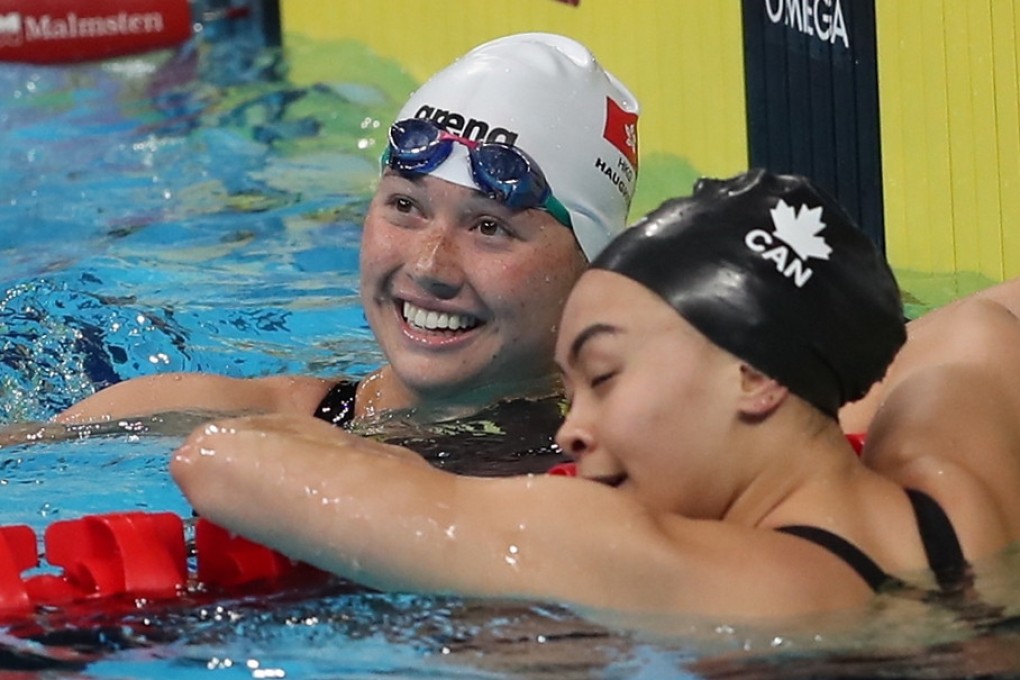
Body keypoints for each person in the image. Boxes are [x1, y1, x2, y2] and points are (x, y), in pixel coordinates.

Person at [169, 169, 1020, 621]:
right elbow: (985, 317)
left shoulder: (698, 571)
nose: (574, 431)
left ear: (755, 378)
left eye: (605, 378)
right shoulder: (959, 468)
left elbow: (223, 462)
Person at [52, 33, 640, 439]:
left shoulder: (643, 476)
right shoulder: (193, 421)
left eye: (489, 226)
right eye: (405, 206)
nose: (429, 265)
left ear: (597, 270)